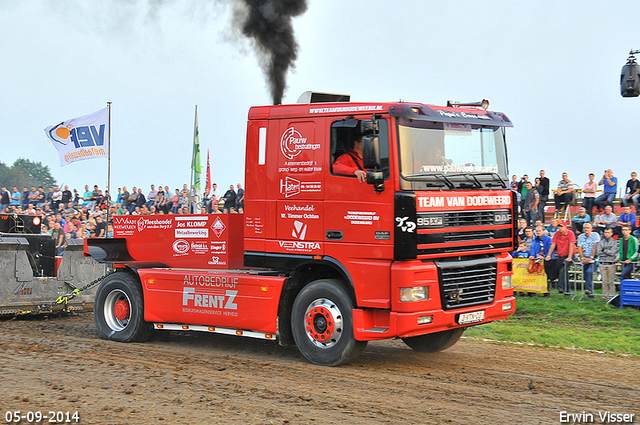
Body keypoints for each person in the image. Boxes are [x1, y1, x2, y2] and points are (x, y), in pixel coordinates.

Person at [545, 221, 576, 294]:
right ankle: (568, 292)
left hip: (569, 255)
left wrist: (570, 256)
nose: (560, 228)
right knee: (564, 272)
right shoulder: (557, 234)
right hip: (561, 255)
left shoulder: (570, 233)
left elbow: (572, 245)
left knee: (563, 268)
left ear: (565, 227)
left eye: (561, 226)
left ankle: (560, 287)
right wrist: (548, 255)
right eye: (559, 226)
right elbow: (553, 245)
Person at [576, 223, 600, 298]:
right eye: (585, 228)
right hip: (584, 258)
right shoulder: (580, 237)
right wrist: (583, 258)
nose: (586, 229)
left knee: (589, 272)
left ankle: (589, 289)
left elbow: (595, 246)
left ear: (591, 229)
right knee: (585, 275)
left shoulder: (595, 235)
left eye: (588, 228)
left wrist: (591, 257)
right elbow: (579, 248)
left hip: (594, 258)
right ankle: (591, 294)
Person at [530, 225, 554, 296]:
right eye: (537, 231)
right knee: (535, 274)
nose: (538, 232)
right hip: (537, 258)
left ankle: (546, 292)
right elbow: (534, 248)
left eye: (539, 231)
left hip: (546, 259)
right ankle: (535, 291)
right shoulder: (535, 239)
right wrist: (532, 255)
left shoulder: (548, 239)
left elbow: (550, 249)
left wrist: (545, 256)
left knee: (545, 275)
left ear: (543, 231)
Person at [596, 227, 619, 300]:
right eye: (606, 232)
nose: (607, 234)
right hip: (602, 263)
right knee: (604, 282)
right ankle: (605, 296)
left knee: (611, 281)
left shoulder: (614, 242)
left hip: (610, 263)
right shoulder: (601, 242)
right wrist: (607, 251)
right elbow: (599, 252)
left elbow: (613, 253)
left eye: (608, 232)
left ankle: (612, 296)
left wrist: (604, 250)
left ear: (611, 233)